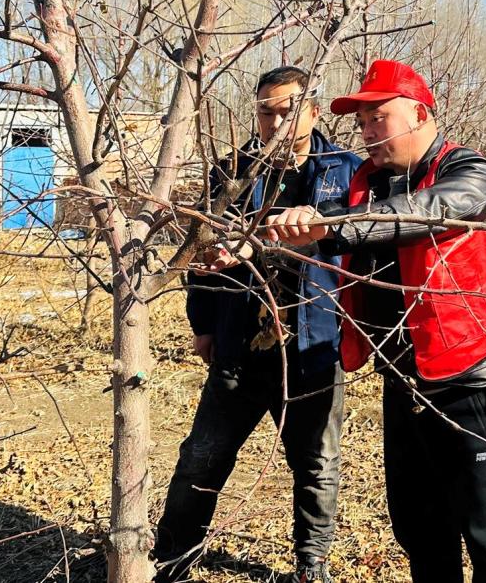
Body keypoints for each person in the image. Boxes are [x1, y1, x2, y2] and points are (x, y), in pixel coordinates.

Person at [268, 59, 486, 583]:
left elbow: (430, 211)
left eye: (379, 119)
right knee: (419, 524)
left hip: (466, 378)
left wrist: (332, 227)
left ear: (419, 113)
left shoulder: (469, 171)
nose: (368, 133)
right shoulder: (366, 182)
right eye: (363, 123)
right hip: (401, 375)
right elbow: (313, 230)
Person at [153, 66, 361, 583]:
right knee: (201, 458)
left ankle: (311, 565)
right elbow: (199, 251)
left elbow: (365, 247)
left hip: (314, 345)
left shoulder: (347, 171)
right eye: (265, 110)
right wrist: (202, 322)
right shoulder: (232, 172)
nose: (275, 121)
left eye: (287, 109)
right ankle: (172, 557)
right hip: (239, 344)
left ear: (312, 110)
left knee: (316, 463)